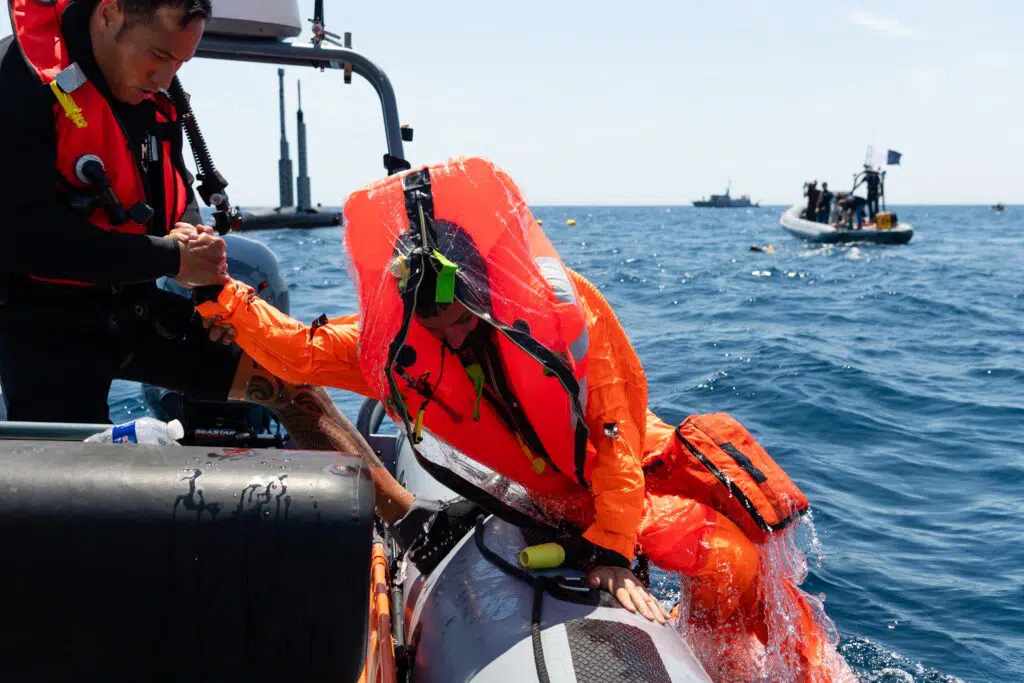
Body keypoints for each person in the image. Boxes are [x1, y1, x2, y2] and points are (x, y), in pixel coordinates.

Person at [195, 157, 851, 681]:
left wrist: (613, 550)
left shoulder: (565, 317)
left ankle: (747, 664)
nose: (452, 337)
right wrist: (221, 294)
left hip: (633, 474)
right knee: (727, 560)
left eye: (461, 319)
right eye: (436, 327)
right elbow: (299, 351)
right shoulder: (398, 350)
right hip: (564, 495)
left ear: (484, 289)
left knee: (737, 558)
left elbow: (616, 435)